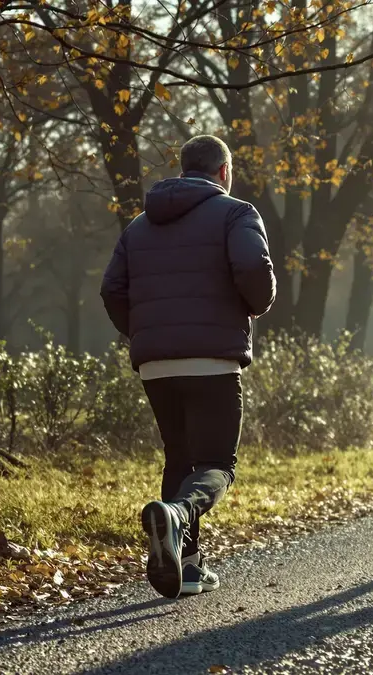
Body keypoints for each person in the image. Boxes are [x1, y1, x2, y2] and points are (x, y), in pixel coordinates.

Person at [100, 135, 275, 599]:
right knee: (217, 464)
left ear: (182, 169)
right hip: (212, 358)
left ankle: (190, 566)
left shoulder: (139, 225)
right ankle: (176, 516)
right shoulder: (237, 213)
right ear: (223, 172)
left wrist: (145, 334)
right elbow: (254, 269)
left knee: (179, 457)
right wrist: (257, 305)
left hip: (156, 364)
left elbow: (112, 290)